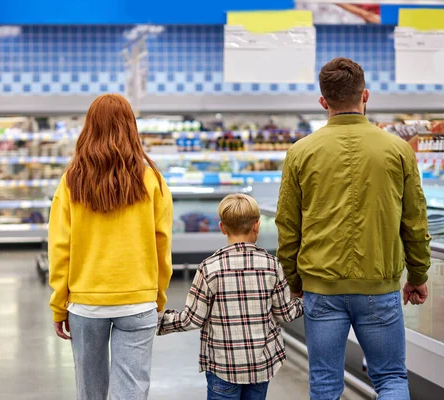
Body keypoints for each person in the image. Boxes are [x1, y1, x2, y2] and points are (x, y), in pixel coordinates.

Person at [276, 57, 431, 400]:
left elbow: (288, 226)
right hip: (379, 285)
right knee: (390, 378)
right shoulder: (398, 150)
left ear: (323, 101)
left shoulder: (300, 152)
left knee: (326, 383)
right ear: (366, 96)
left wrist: (294, 279)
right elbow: (415, 220)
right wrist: (417, 275)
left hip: (321, 286)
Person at [48, 93, 173, 400]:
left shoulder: (71, 181)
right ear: (131, 127)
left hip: (86, 303)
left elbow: (60, 247)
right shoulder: (152, 180)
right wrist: (157, 295)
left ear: (89, 128)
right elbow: (162, 243)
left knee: (89, 393)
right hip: (138, 301)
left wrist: (59, 303)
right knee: (131, 390)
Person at [158, 194, 303, 400]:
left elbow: (193, 319)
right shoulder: (271, 265)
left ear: (222, 227)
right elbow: (286, 313)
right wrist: (306, 301)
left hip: (223, 367)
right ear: (257, 225)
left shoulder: (209, 268)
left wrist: (157, 322)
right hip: (260, 366)